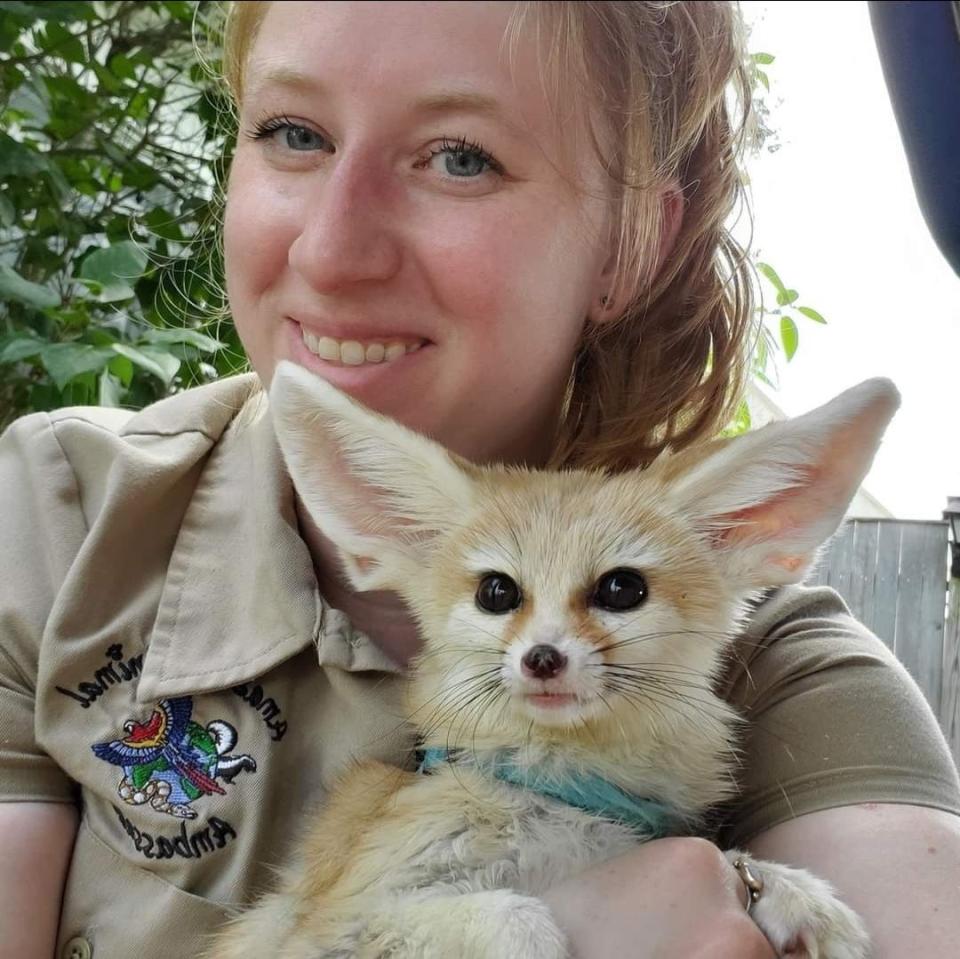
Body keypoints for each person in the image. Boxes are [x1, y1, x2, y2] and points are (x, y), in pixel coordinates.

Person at [2, 2, 959, 957]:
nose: (331, 253)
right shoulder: (65, 516)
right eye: (294, 134)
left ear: (632, 241)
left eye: (461, 156)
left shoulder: (788, 672)